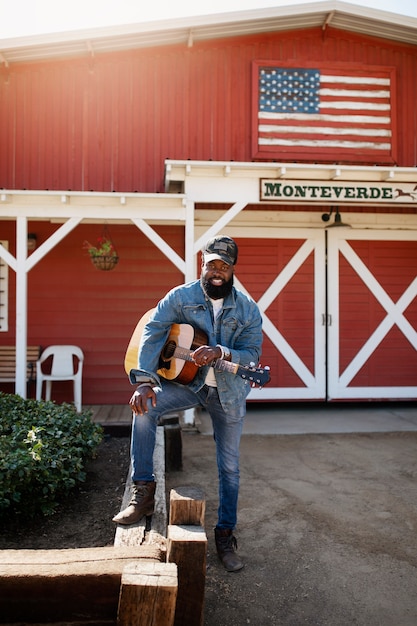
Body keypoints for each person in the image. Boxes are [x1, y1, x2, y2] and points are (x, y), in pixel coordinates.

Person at [113, 235, 263, 572]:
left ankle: (225, 536)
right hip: (190, 383)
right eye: (211, 264)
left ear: (232, 269)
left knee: (229, 468)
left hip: (228, 393)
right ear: (203, 264)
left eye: (223, 266)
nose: (216, 272)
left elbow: (252, 356)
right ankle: (144, 493)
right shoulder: (180, 297)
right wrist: (145, 381)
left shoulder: (248, 310)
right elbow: (154, 331)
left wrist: (222, 352)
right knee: (144, 408)